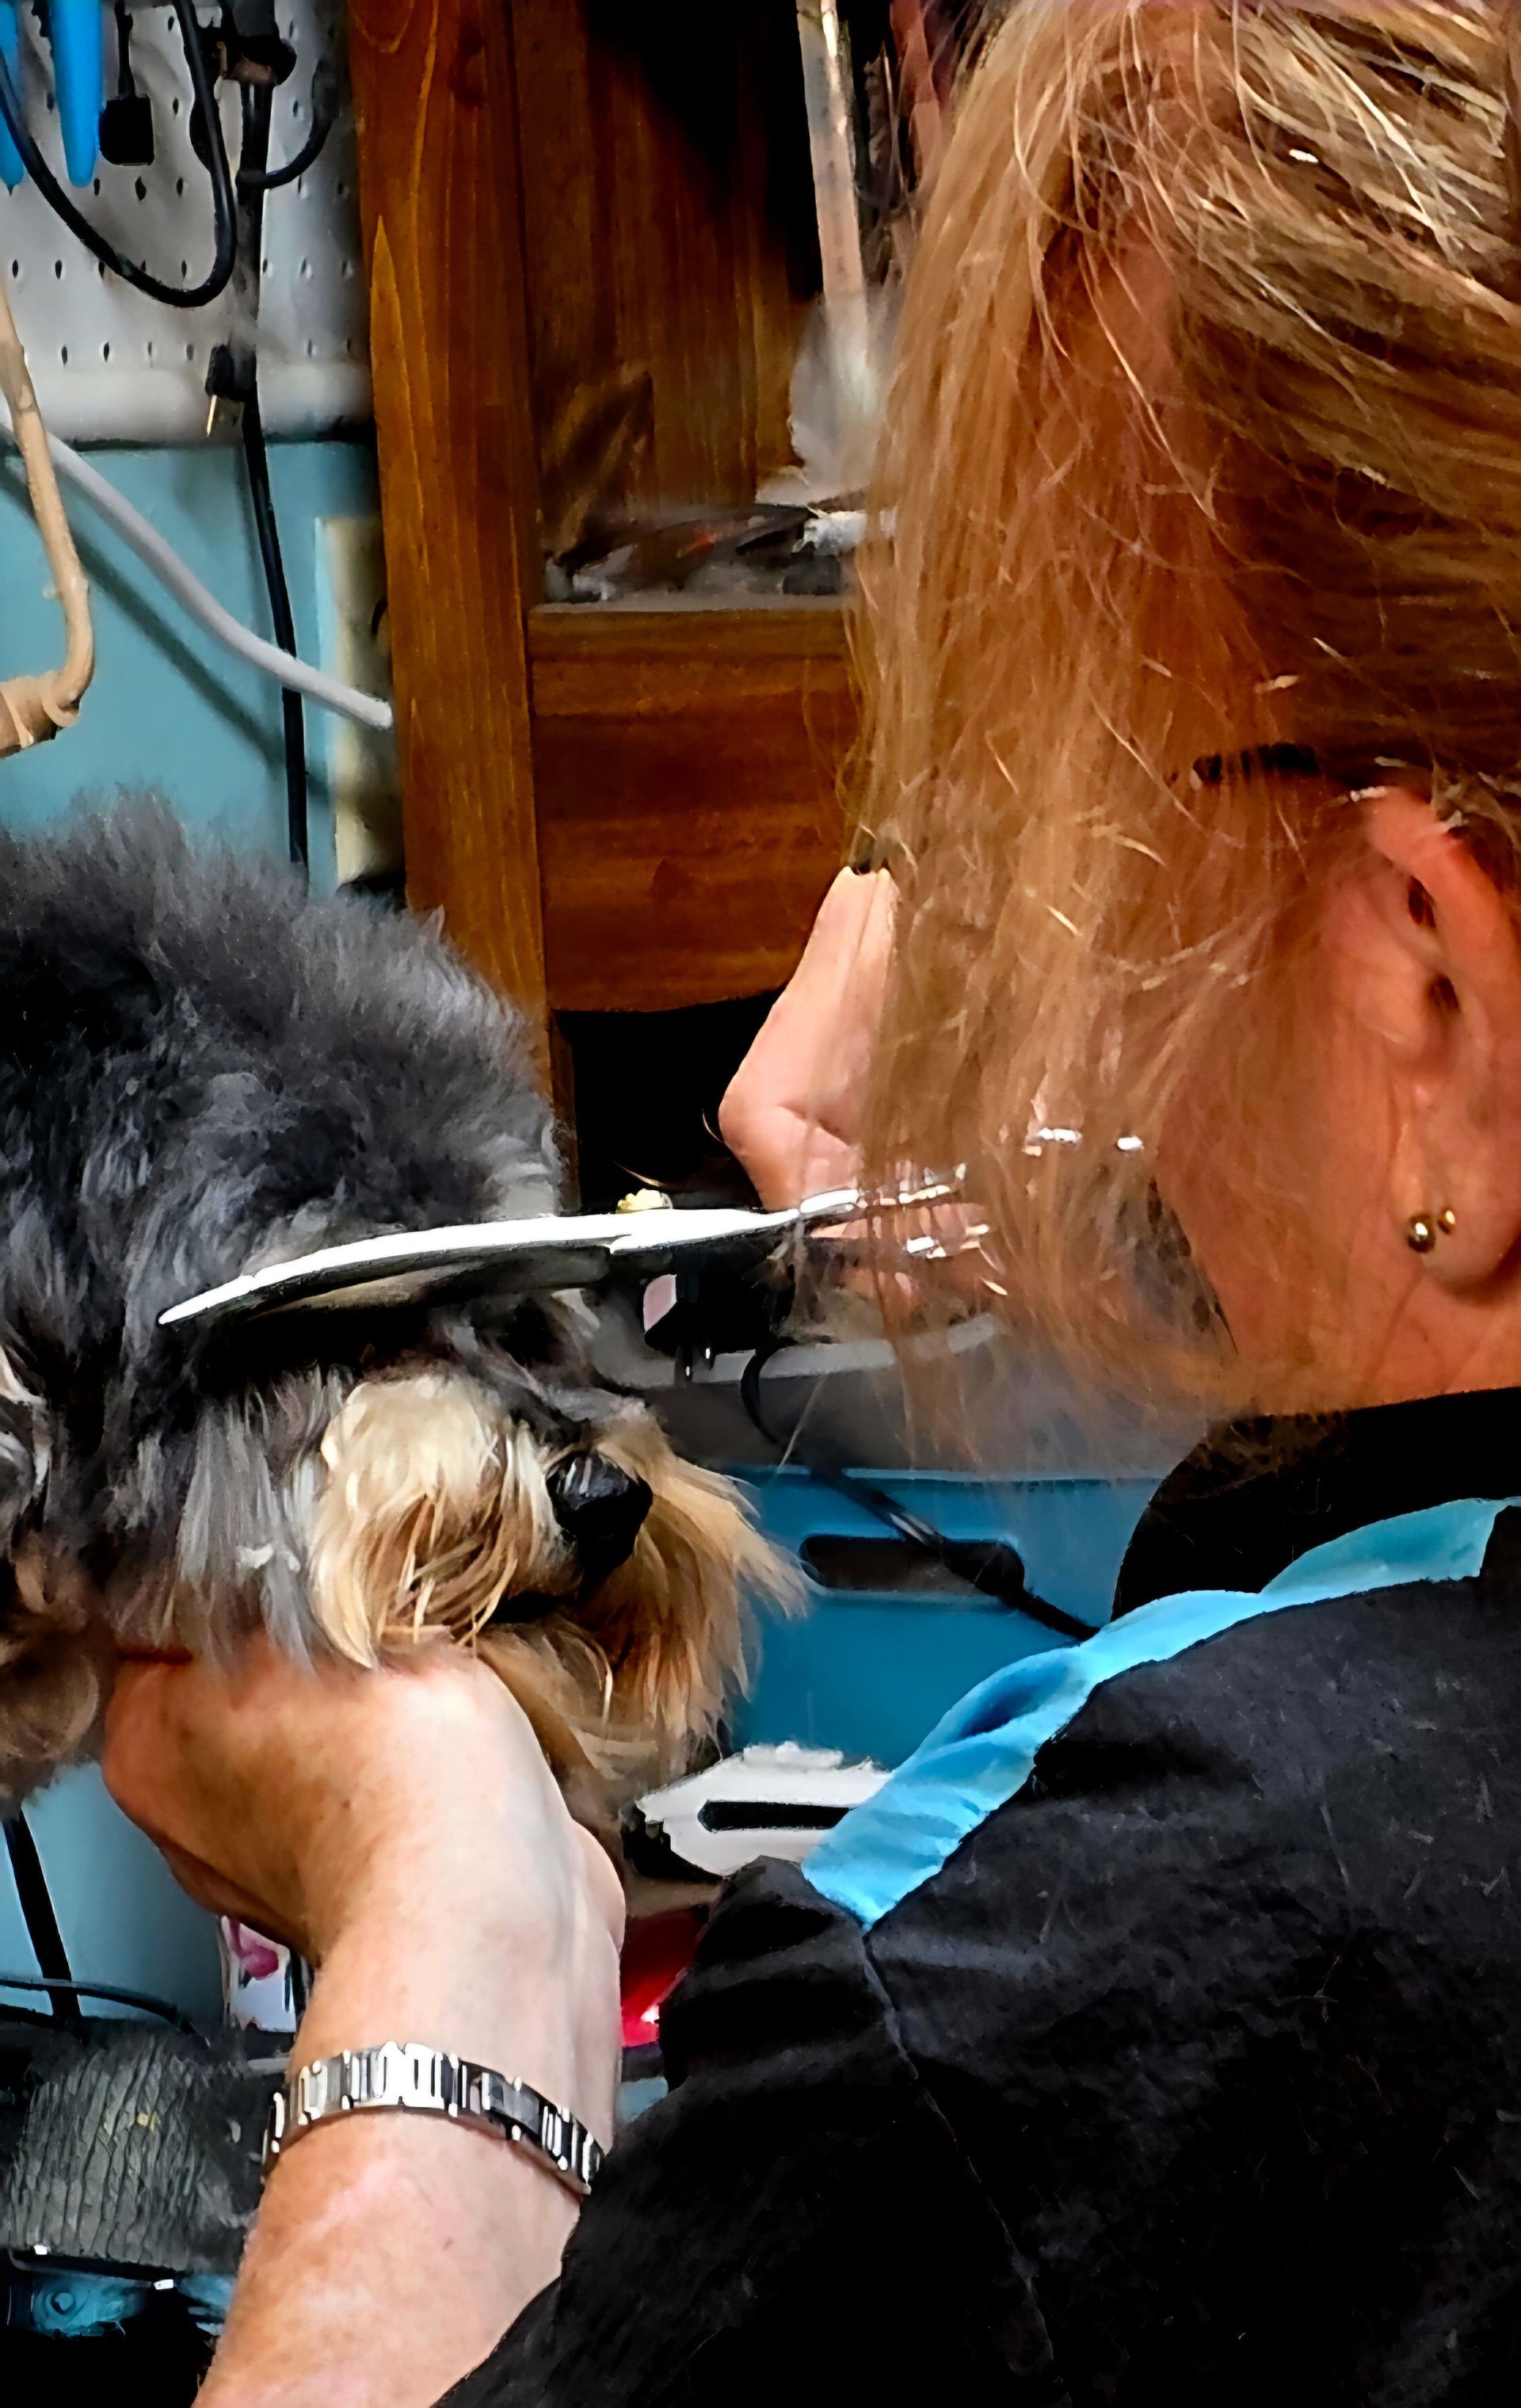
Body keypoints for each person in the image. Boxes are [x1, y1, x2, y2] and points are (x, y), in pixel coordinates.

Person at [101, 3, 1521, 2399]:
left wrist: (446, 1917)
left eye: (1093, 804)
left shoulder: (1073, 1999)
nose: (1027, 955)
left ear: (1437, 1001)